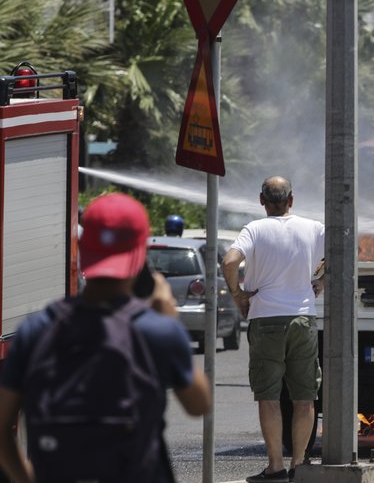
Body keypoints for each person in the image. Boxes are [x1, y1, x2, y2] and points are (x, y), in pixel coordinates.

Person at [0, 193, 211, 483]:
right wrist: (169, 317)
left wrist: (25, 479)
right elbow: (199, 405)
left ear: (81, 248)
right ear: (140, 257)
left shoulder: (36, 330)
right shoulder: (157, 330)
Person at [223, 176, 324, 483]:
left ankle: (275, 466)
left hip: (265, 318)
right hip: (303, 319)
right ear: (291, 200)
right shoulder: (314, 228)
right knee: (304, 397)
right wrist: (322, 281)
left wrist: (238, 294)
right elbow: (347, 251)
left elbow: (229, 261)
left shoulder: (254, 229)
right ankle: (299, 464)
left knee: (269, 396)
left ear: (261, 200)